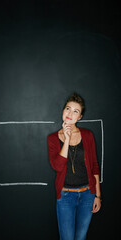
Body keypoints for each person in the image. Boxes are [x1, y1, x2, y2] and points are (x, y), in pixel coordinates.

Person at [47, 93, 101, 240]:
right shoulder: (52, 138)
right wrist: (67, 138)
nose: (70, 113)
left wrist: (97, 195)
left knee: (81, 237)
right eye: (68, 109)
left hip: (87, 195)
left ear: (80, 117)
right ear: (63, 111)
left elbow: (95, 166)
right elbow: (57, 166)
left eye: (75, 111)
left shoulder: (88, 135)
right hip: (65, 196)